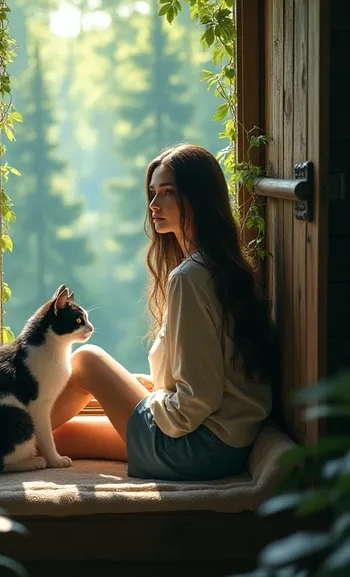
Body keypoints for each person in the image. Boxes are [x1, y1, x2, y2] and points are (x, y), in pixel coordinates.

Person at [51, 144, 276, 481]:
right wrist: (153, 390)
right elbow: (212, 376)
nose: (154, 204)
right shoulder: (221, 267)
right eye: (153, 192)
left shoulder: (190, 277)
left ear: (198, 198)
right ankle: (1, 444)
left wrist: (152, 401)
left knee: (88, 359)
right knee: (55, 441)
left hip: (200, 445)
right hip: (225, 445)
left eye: (168, 193)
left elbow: (197, 401)